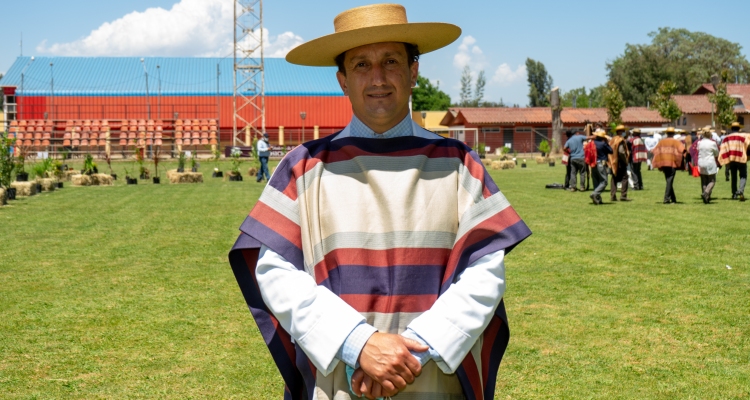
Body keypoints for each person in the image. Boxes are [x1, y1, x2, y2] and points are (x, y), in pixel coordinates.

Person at [227, 4, 532, 400]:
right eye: (360, 65)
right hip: (340, 380)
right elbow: (275, 272)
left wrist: (413, 353)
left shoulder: (458, 164)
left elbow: (485, 273)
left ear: (413, 70)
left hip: (432, 380)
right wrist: (358, 344)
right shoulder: (304, 166)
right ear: (342, 79)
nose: (377, 78)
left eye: (390, 61)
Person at [652, 127, 685, 204]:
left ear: (667, 133)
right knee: (669, 181)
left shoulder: (661, 142)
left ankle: (673, 199)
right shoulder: (676, 142)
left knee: (668, 181)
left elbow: (655, 151)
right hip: (672, 163)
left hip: (664, 163)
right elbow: (683, 150)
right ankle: (666, 199)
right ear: (673, 134)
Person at [718, 122, 749, 201]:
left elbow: (723, 149)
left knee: (733, 177)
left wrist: (725, 160)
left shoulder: (726, 138)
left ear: (731, 129)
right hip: (741, 158)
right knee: (743, 176)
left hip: (731, 159)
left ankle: (734, 194)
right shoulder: (744, 136)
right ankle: (741, 191)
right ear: (739, 129)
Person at [697, 128, 720, 204]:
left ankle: (706, 198)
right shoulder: (712, 143)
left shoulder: (699, 143)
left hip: (701, 162)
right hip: (710, 162)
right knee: (712, 180)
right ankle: (706, 193)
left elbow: (697, 150)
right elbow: (717, 153)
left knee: (704, 180)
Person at [590, 129, 612, 205]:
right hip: (601, 164)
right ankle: (594, 194)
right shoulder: (603, 144)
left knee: (596, 182)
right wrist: (607, 143)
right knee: (604, 181)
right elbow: (611, 151)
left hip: (593, 164)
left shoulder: (592, 143)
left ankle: (597, 200)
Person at [608, 125, 630, 201]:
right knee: (625, 177)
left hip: (613, 161)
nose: (624, 132)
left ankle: (613, 195)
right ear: (621, 131)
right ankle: (623, 195)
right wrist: (625, 160)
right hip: (620, 161)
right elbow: (621, 152)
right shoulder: (620, 140)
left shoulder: (612, 140)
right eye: (623, 131)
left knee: (614, 178)